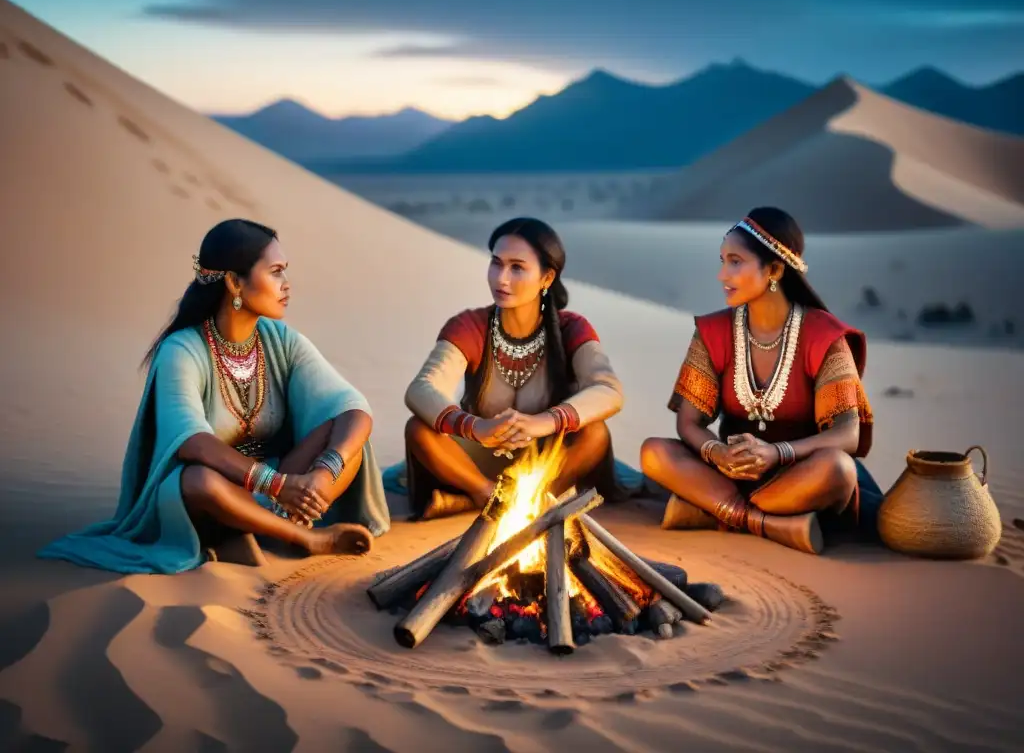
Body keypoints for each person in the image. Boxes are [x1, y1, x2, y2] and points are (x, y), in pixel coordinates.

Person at [38, 219, 390, 573]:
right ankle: (306, 538)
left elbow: (353, 408)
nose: (287, 285)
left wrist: (322, 476)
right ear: (235, 282)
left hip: (282, 489)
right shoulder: (183, 349)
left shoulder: (280, 339)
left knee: (348, 443)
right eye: (276, 272)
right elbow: (192, 442)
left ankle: (256, 527)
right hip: (224, 494)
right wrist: (277, 485)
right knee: (196, 480)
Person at [640, 207, 875, 554]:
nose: (722, 274)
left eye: (735, 262)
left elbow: (847, 435)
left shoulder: (823, 337)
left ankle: (716, 513)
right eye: (722, 260)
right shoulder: (713, 332)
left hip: (799, 475)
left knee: (839, 470)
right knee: (653, 453)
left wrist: (775, 454)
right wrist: (717, 453)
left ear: (775, 269)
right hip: (731, 474)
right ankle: (767, 523)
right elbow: (688, 422)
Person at [403, 217, 624, 519]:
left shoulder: (572, 327)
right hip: (479, 456)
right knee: (418, 428)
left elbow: (609, 390)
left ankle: (530, 497)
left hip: (548, 459)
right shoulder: (471, 326)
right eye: (496, 263)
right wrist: (476, 427)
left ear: (547, 278)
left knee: (595, 433)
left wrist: (545, 422)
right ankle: (485, 495)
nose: (501, 279)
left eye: (517, 267)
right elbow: (421, 390)